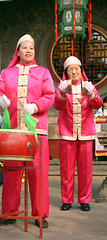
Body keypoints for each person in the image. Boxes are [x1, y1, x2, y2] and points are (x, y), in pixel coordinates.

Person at [0, 34, 55, 228]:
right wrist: (0, 100)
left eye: (31, 48)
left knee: (38, 173)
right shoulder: (7, 73)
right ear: (17, 51)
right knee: (11, 172)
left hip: (36, 131)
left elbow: (50, 95)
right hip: (13, 132)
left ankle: (39, 214)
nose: (28, 50)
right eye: (24, 47)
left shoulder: (43, 72)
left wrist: (34, 107)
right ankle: (9, 213)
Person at [53, 56, 103, 211]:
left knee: (86, 169)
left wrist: (92, 94)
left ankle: (84, 200)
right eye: (70, 69)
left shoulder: (88, 86)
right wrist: (61, 93)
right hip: (67, 134)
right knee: (66, 169)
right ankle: (66, 200)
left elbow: (98, 104)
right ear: (66, 73)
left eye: (76, 69)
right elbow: (57, 106)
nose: (74, 72)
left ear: (81, 71)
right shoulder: (62, 87)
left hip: (85, 134)